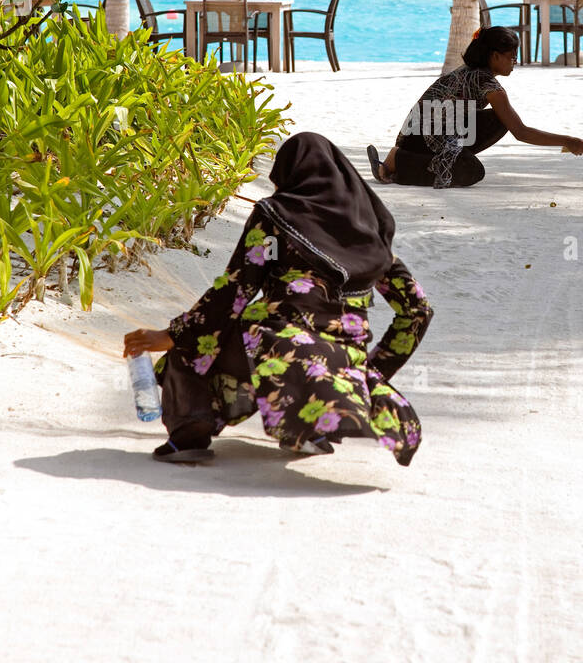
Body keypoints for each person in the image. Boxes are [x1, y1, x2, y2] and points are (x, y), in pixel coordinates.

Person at [123, 133, 432, 466]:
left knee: (194, 341)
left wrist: (171, 335)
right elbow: (417, 310)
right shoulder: (370, 238)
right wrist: (370, 371)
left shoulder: (275, 216)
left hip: (276, 343)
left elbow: (233, 292)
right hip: (341, 358)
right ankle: (311, 427)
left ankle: (190, 432)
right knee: (268, 346)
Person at [367, 25, 583, 189]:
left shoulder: (471, 72)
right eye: (511, 57)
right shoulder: (486, 83)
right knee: (471, 172)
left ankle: (407, 158)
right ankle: (398, 161)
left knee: (498, 119)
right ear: (495, 56)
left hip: (419, 133)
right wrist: (567, 141)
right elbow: (520, 132)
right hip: (419, 139)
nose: (515, 62)